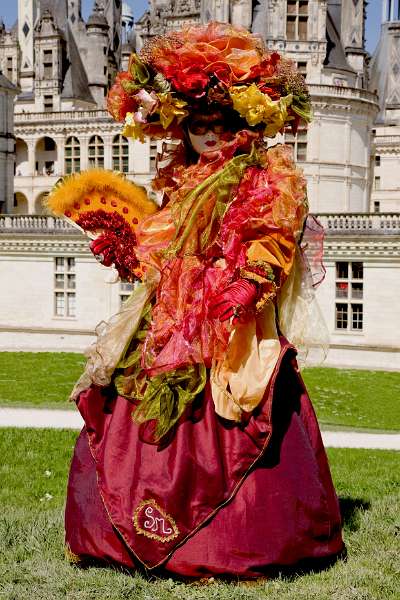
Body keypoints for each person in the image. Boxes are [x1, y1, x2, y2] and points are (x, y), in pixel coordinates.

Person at [48, 22, 344, 579]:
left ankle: (232, 542)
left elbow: (272, 237)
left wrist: (244, 284)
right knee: (131, 409)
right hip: (171, 312)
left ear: (241, 122)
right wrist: (126, 249)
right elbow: (162, 246)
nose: (209, 135)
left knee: (236, 411)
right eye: (198, 125)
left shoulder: (266, 175)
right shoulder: (181, 177)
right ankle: (124, 535)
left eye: (220, 123)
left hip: (231, 320)